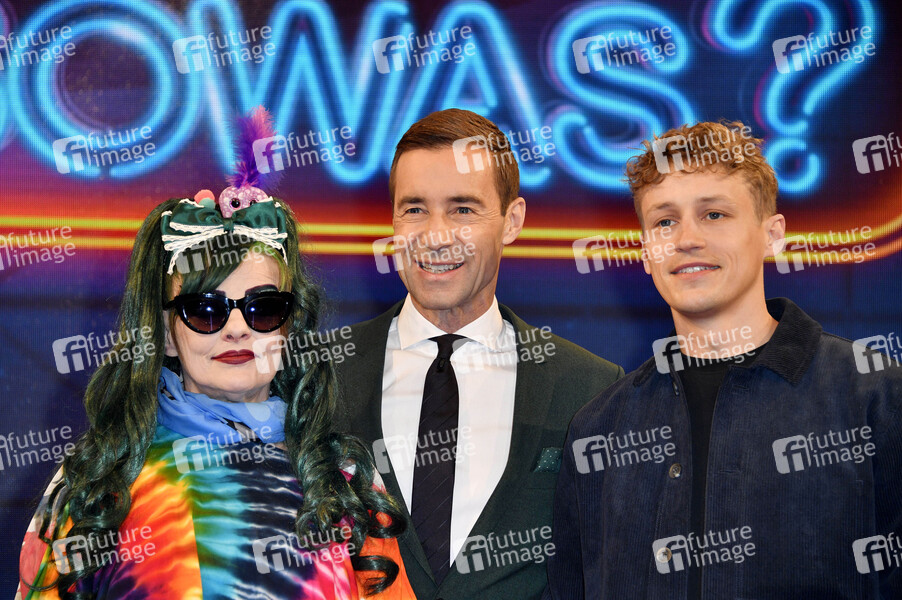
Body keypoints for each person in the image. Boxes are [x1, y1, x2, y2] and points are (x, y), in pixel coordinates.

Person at [17, 111, 415, 599]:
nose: (237, 329)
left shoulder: (343, 478)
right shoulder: (98, 480)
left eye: (264, 308)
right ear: (166, 334)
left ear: (289, 326)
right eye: (205, 310)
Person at [544, 120, 902, 598]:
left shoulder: (877, 398)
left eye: (713, 214)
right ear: (646, 252)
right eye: (664, 221)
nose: (686, 238)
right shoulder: (599, 428)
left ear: (772, 234)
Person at [333, 108, 623, 600]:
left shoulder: (590, 387)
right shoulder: (321, 376)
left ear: (512, 220)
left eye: (463, 210)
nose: (435, 235)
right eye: (414, 209)